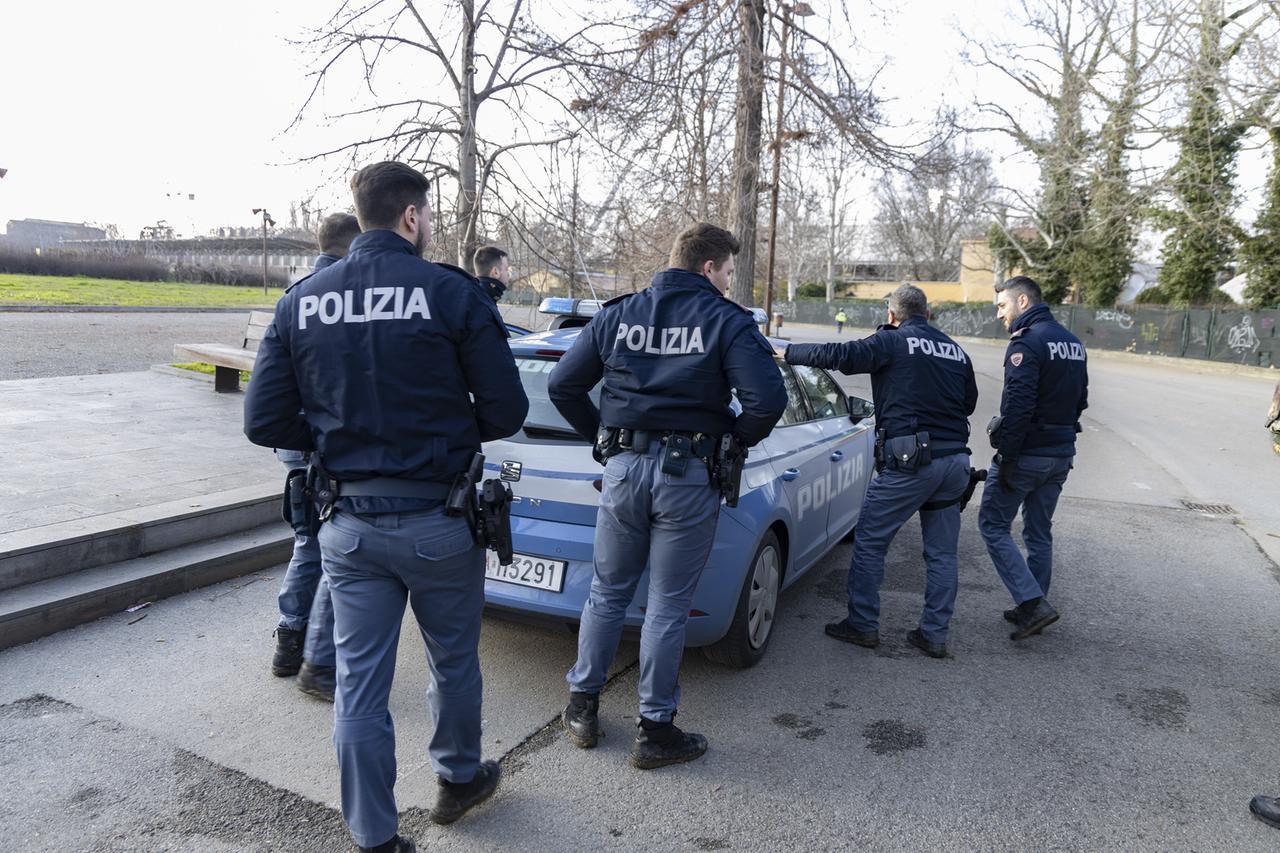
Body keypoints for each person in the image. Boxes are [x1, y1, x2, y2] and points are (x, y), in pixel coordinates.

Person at [244, 161, 528, 852]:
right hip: (438, 521)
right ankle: (459, 776)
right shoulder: (451, 293)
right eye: (427, 217)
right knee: (453, 661)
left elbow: (264, 421)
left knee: (360, 684)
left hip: (347, 525)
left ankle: (373, 835)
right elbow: (506, 410)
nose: (428, 227)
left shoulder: (303, 300)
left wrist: (341, 436)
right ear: (410, 217)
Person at [548, 222, 787, 768]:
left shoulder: (617, 313)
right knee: (668, 604)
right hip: (688, 475)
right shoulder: (725, 320)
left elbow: (563, 384)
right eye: (728, 270)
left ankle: (581, 708)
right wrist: (731, 441)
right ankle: (654, 730)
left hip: (625, 470)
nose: (729, 281)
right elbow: (766, 399)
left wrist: (605, 443)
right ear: (709, 267)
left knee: (607, 593)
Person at [785, 284, 977, 659]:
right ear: (928, 313)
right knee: (942, 555)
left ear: (892, 315)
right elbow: (968, 404)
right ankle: (934, 635)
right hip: (955, 463)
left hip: (911, 463)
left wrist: (786, 350)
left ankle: (862, 624)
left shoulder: (892, 342)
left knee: (871, 541)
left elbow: (839, 354)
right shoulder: (956, 351)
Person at [271, 211, 362, 706]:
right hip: (326, 444)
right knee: (325, 545)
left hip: (294, 444)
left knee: (307, 540)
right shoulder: (343, 294)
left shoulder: (297, 293)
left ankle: (291, 637)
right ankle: (312, 651)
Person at [978, 275, 1088, 641]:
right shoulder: (1073, 343)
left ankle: (1031, 603)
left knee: (993, 525)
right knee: (1038, 531)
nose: (999, 314)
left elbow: (1018, 406)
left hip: (1029, 453)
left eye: (1002, 305)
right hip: (1061, 453)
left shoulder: (1027, 343)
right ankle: (1034, 606)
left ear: (1023, 302)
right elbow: (1080, 400)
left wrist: (1007, 456)